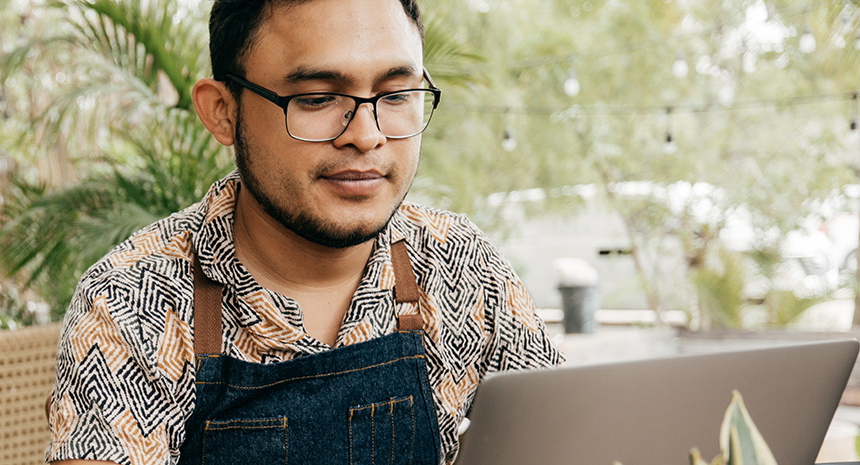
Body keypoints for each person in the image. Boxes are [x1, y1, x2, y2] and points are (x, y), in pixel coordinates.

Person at [45, 1, 564, 464]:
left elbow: (568, 437)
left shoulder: (460, 265)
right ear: (223, 112)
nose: (367, 135)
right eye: (317, 98)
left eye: (397, 93)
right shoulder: (132, 302)